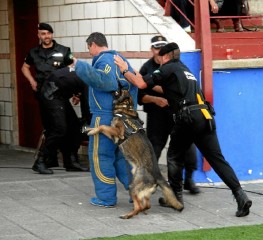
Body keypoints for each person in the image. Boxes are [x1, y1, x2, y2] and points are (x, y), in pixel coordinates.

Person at [114, 42, 252, 217]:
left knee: (174, 155)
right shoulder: (184, 70)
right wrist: (139, 76)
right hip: (205, 116)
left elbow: (141, 84)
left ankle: (175, 198)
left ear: (165, 57)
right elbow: (164, 88)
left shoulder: (166, 68)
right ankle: (240, 195)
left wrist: (125, 70)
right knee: (217, 159)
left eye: (160, 57)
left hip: (187, 118)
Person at [72, 32, 138, 207]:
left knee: (100, 157)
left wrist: (79, 65)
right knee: (120, 157)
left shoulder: (104, 60)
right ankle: (136, 192)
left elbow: (104, 81)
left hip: (105, 116)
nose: (90, 52)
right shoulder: (122, 60)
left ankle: (105, 197)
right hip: (123, 116)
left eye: (89, 48)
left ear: (93, 44)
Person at [21, 22, 88, 174]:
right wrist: (32, 81)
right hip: (45, 96)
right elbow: (24, 67)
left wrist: (76, 93)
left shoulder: (64, 51)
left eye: (48, 33)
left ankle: (70, 161)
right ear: (38, 35)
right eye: (43, 34)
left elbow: (73, 68)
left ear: (52, 34)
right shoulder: (33, 52)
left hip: (61, 94)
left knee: (71, 126)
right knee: (57, 128)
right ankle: (44, 160)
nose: (46, 36)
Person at [138, 35, 200, 194]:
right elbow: (139, 95)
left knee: (188, 148)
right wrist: (155, 99)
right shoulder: (146, 68)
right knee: (154, 149)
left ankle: (189, 179)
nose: (160, 52)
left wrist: (160, 88)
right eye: (157, 48)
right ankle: (150, 182)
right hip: (157, 116)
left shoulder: (177, 65)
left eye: (163, 48)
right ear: (152, 50)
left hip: (178, 113)